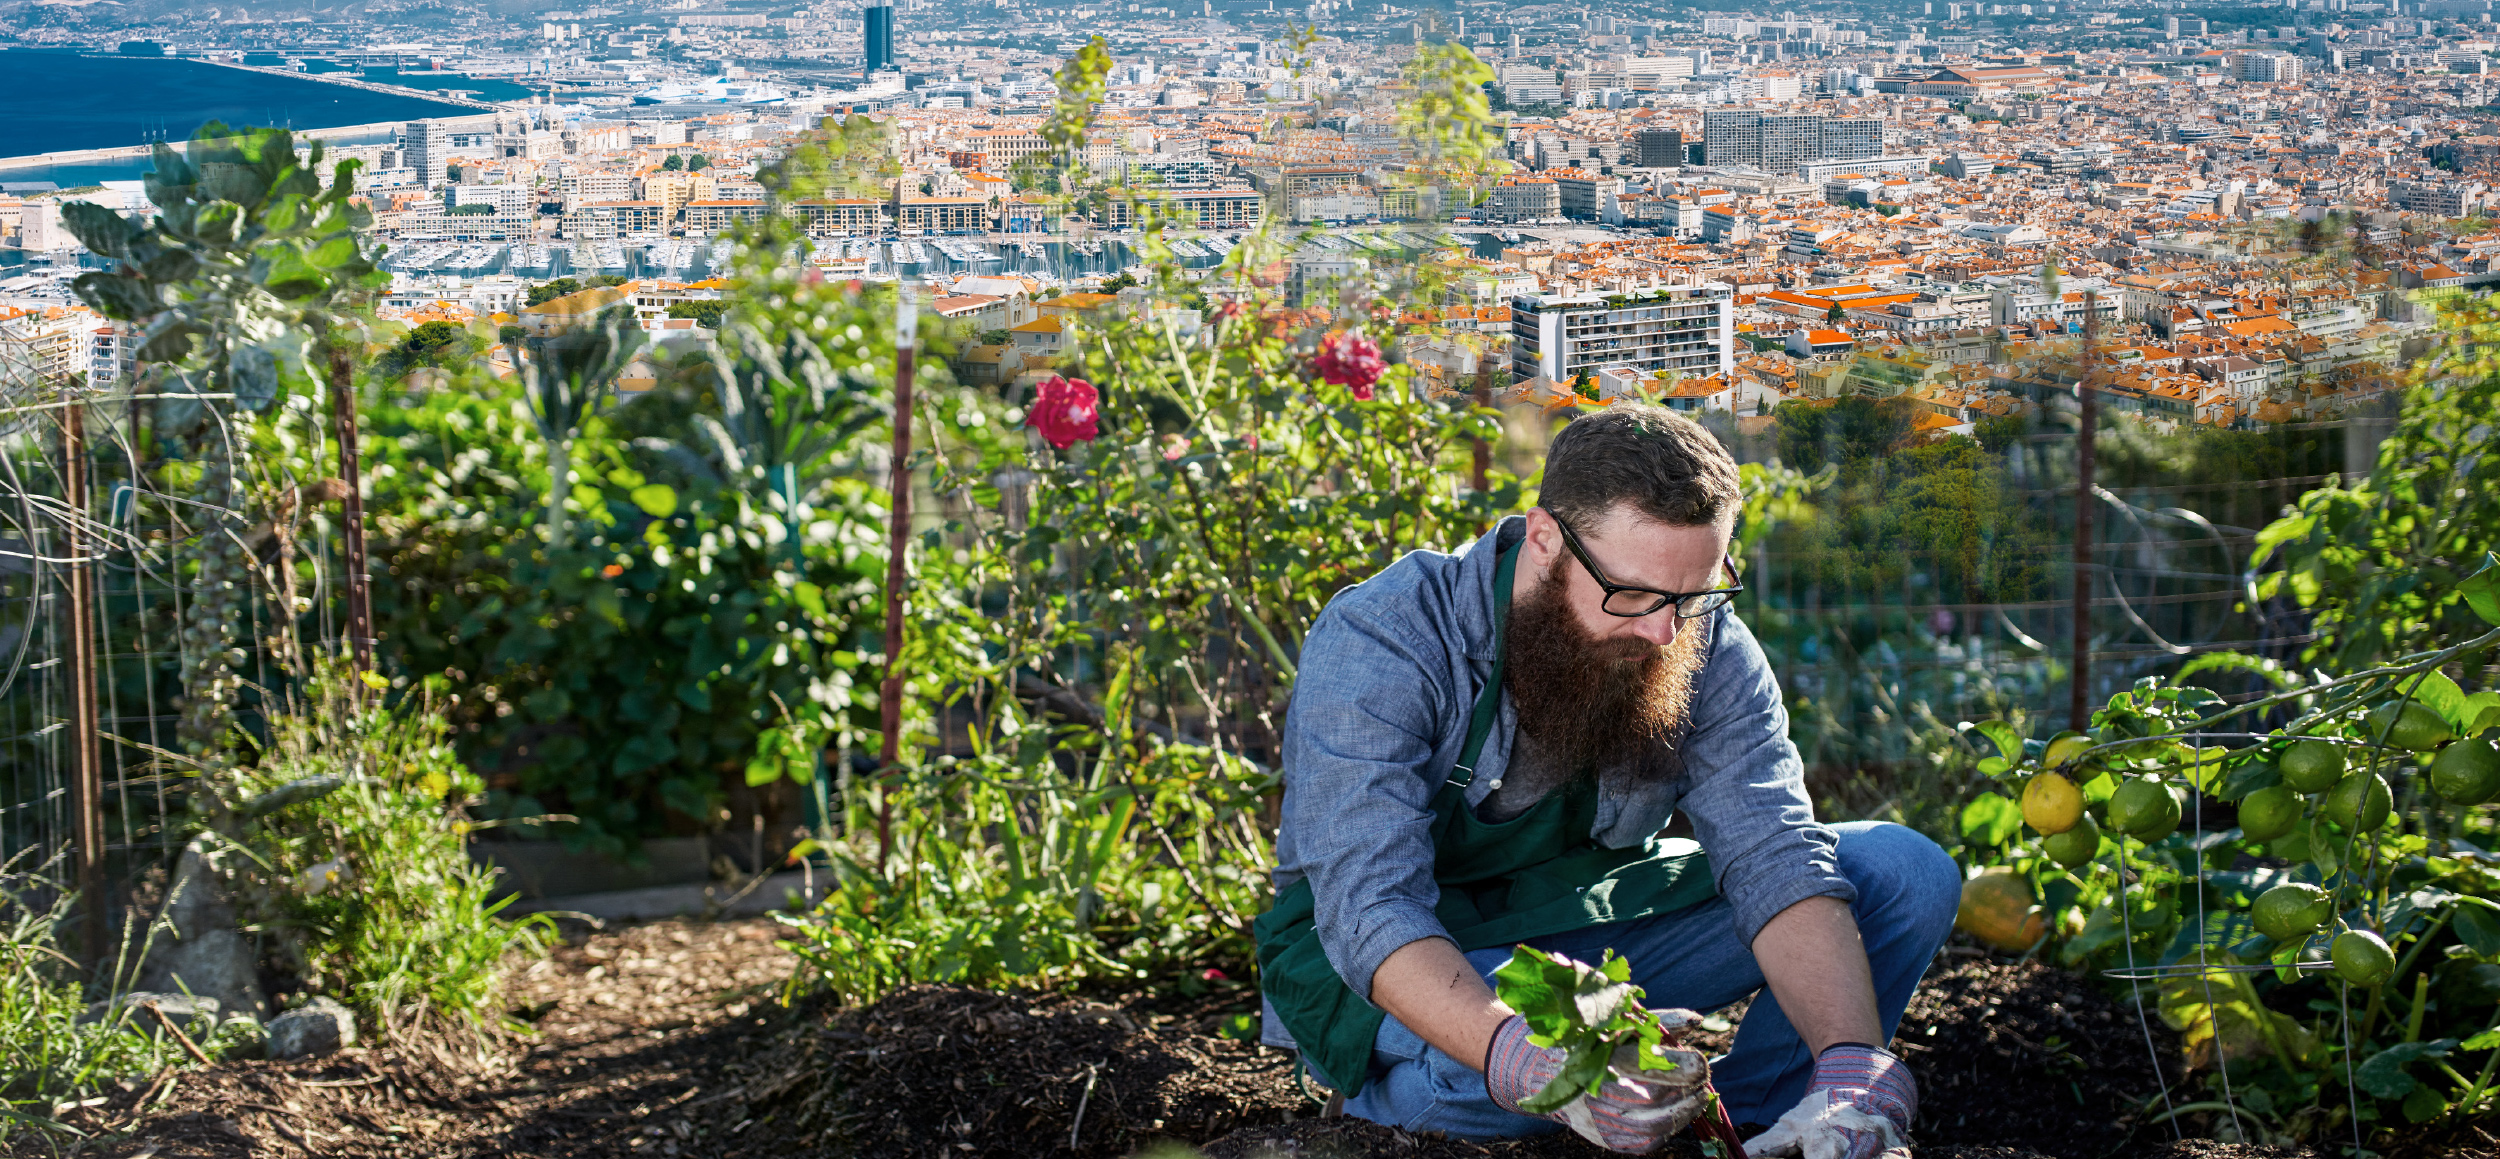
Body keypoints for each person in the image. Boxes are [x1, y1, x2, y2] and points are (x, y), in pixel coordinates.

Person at [1254, 404, 1960, 1156]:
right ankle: (1393, 1098)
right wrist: (1519, 1057)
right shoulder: (1388, 637)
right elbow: (1372, 906)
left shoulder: (1697, 635)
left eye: (1693, 594)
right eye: (1635, 595)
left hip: (1584, 925)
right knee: (1552, 1065)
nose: (1666, 632)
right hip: (1410, 955)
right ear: (1546, 540)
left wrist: (1851, 1057)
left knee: (1901, 871)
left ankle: (1765, 1124)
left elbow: (1774, 853)